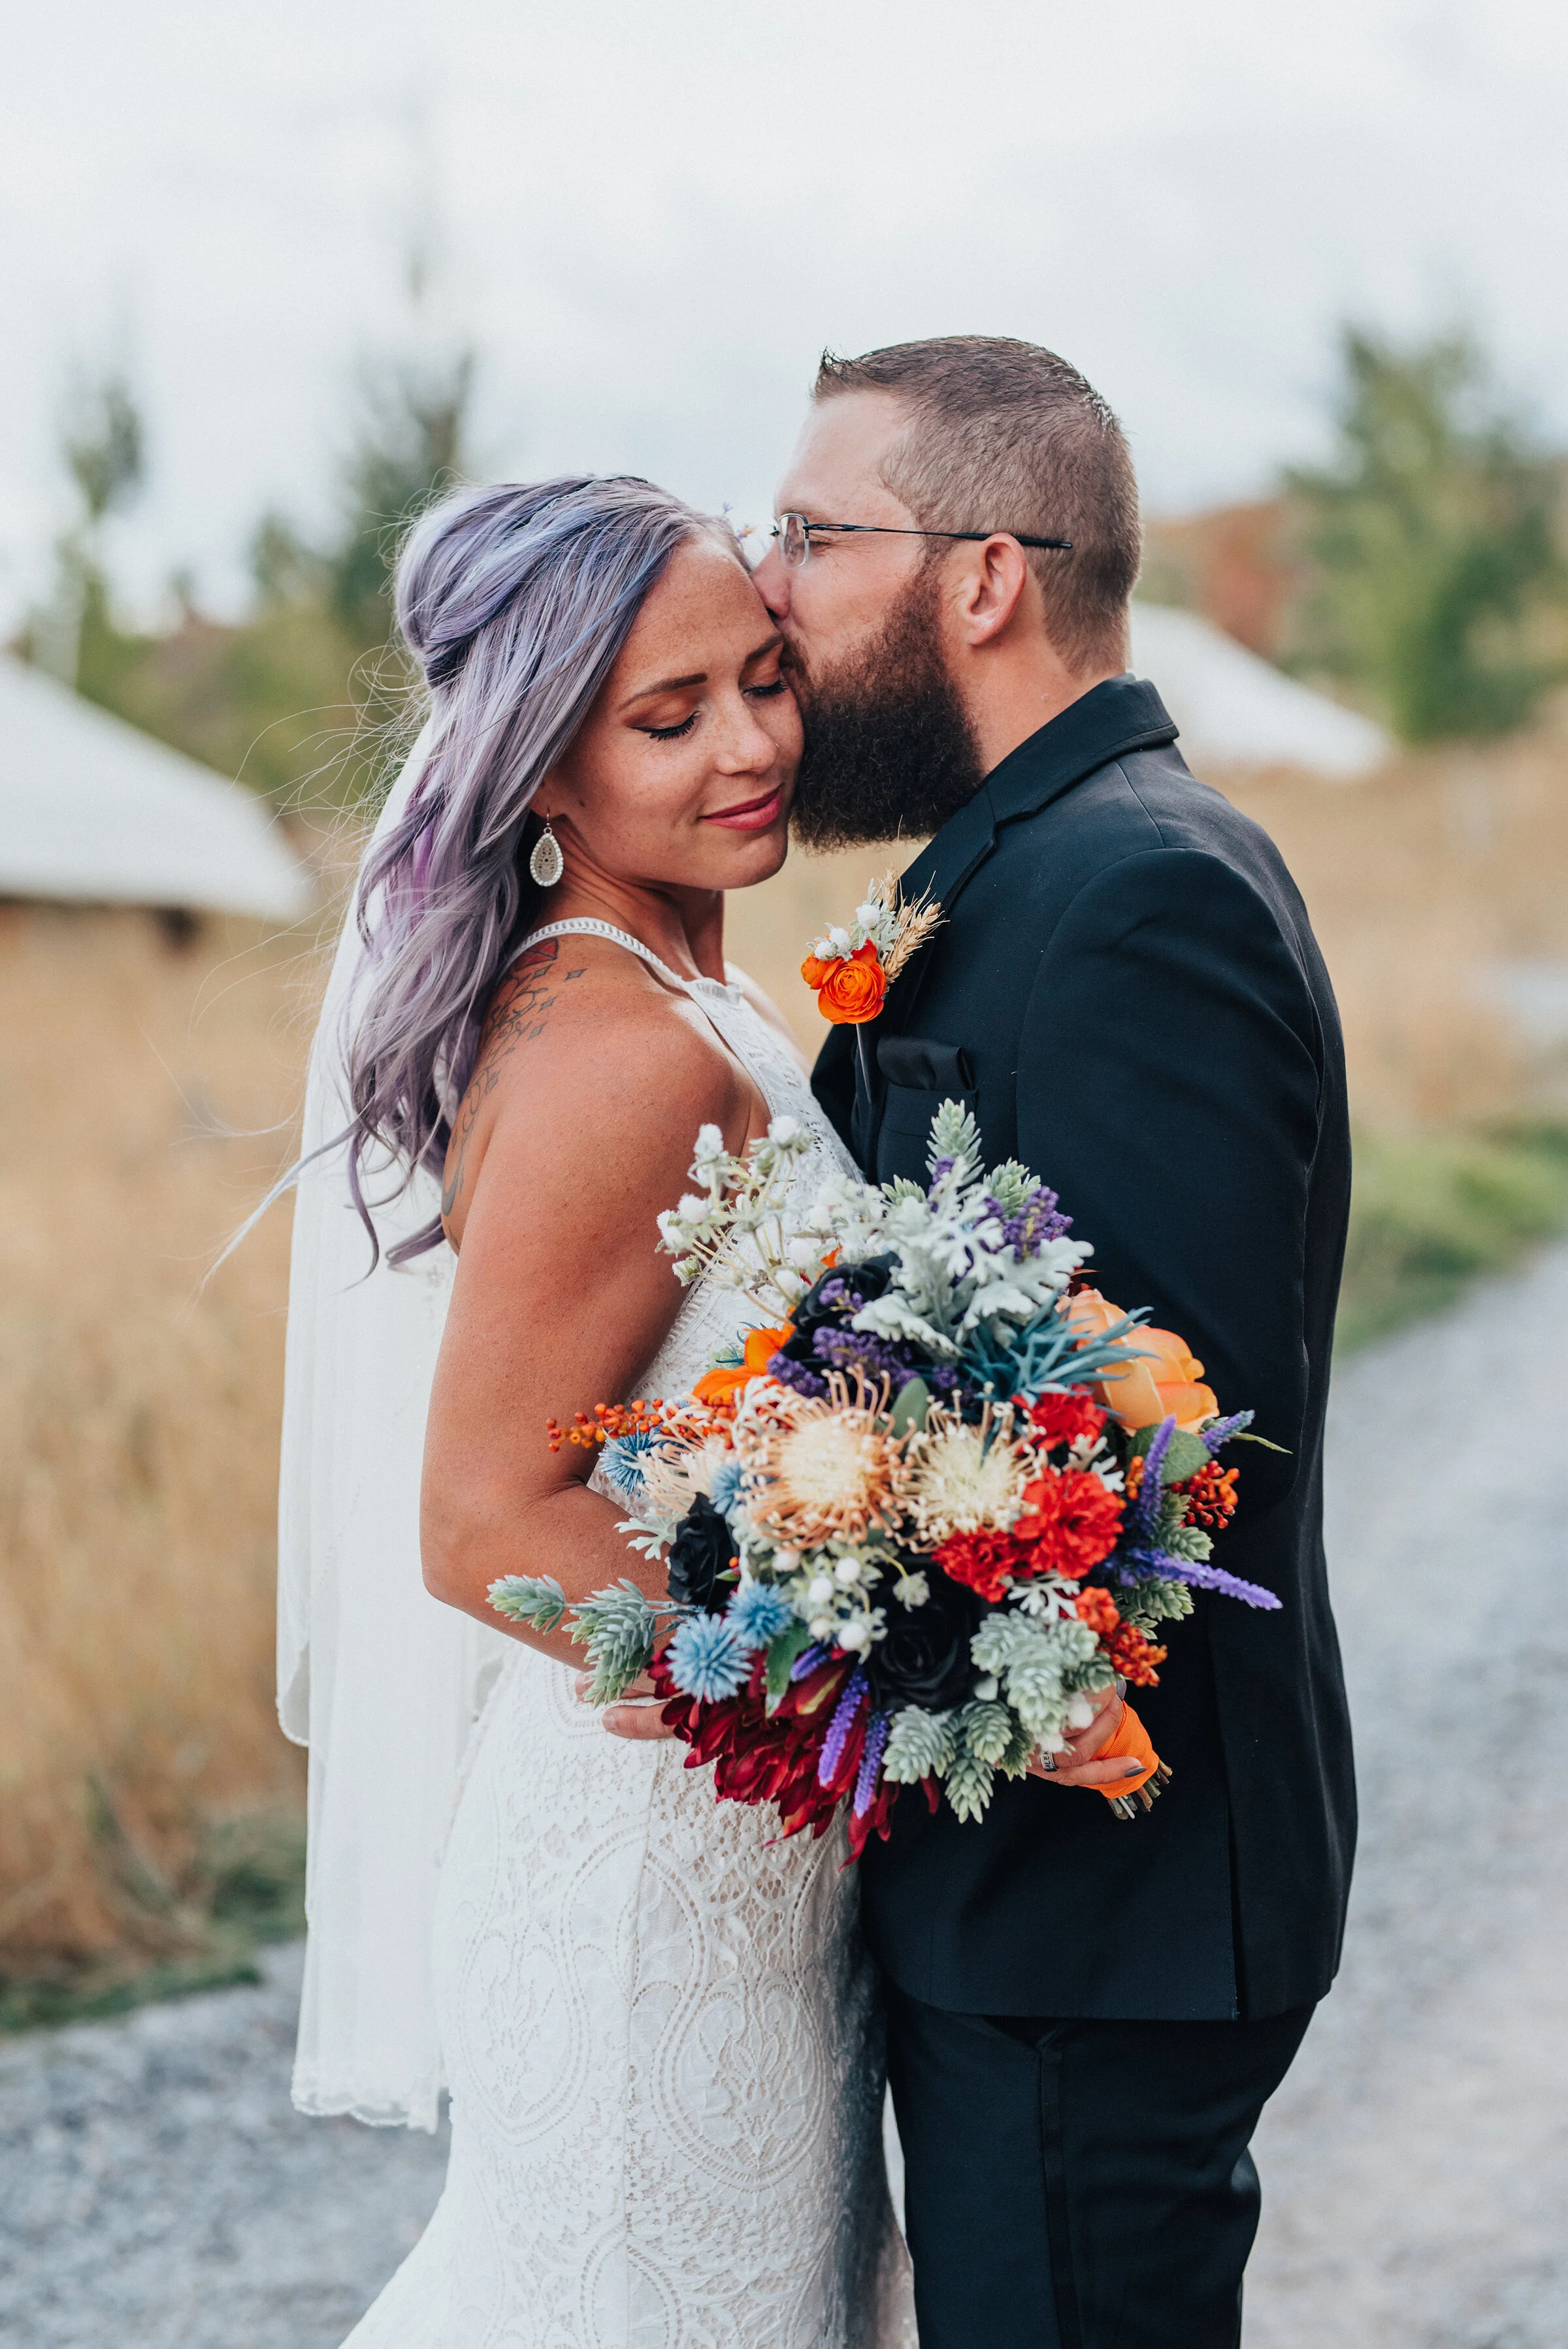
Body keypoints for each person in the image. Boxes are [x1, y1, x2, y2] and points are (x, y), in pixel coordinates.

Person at [742, 336, 1356, 2347]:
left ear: (984, 574)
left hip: (1106, 1913)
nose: (774, 589)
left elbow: (1167, 1460)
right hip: (1039, 1903)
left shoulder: (1134, 898)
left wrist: (780, 1505)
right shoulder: (1029, 868)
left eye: (813, 536)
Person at [276, 476, 913, 2346]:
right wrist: (847, 1672)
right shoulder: (621, 1053)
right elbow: (481, 1524)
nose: (751, 746)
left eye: (768, 679)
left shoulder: (696, 1009)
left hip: (750, 1868)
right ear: (542, 768)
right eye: (669, 716)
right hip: (652, 1895)